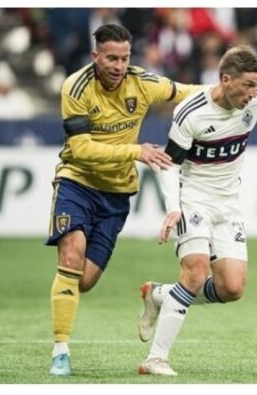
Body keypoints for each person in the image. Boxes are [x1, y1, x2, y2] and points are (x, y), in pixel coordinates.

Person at [136, 45, 257, 376]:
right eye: (248, 85)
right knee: (195, 273)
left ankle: (160, 295)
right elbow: (170, 164)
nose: (253, 93)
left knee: (231, 288)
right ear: (225, 79)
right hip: (193, 199)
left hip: (228, 204)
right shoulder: (191, 113)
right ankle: (156, 359)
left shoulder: (254, 103)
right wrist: (173, 207)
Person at [46, 23, 203, 377]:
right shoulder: (76, 87)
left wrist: (235, 92)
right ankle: (61, 350)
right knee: (70, 255)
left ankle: (152, 295)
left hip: (116, 193)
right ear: (95, 56)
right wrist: (137, 151)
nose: (119, 66)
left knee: (83, 280)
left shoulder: (142, 82)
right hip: (77, 182)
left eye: (124, 58)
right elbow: (80, 149)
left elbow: (189, 92)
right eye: (111, 58)